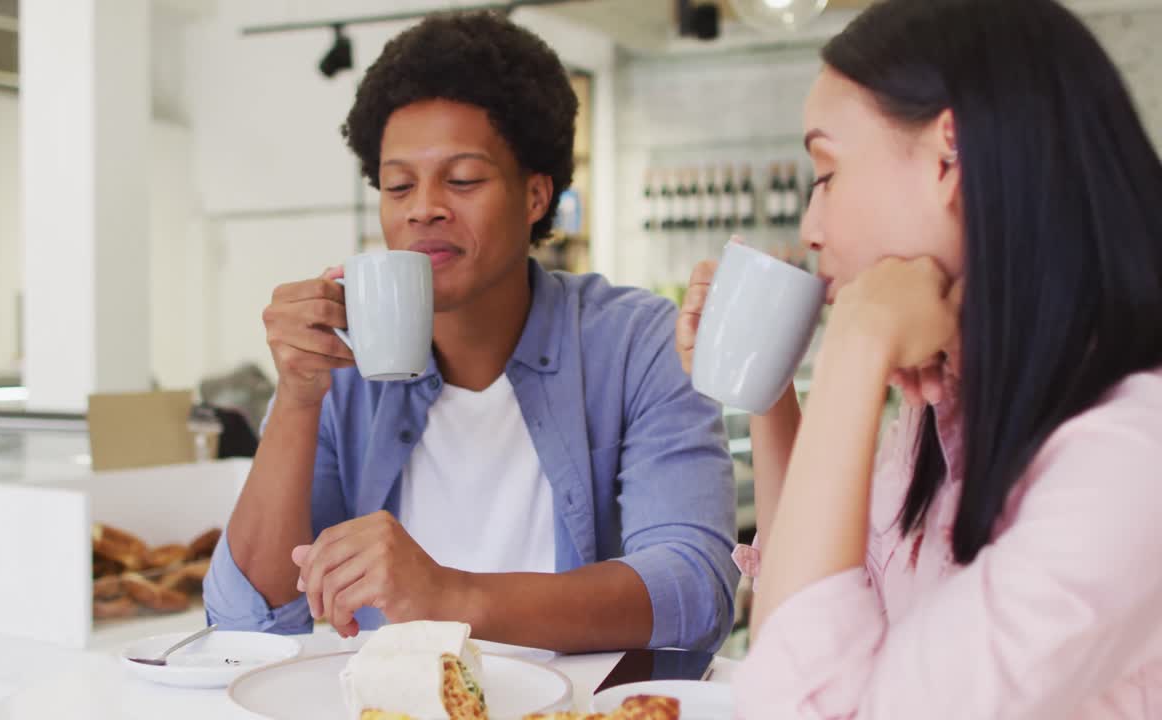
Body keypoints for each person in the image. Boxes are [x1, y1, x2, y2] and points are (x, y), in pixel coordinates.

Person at [675, 0, 1162, 715]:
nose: (811, 227)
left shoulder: (1128, 461)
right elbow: (805, 617)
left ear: (948, 156)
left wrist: (854, 348)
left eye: (827, 173)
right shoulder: (942, 408)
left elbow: (804, 705)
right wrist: (767, 382)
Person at [204, 10, 739, 654]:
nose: (423, 206)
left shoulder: (636, 345)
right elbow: (245, 623)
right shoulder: (343, 372)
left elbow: (695, 590)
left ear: (536, 196)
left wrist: (449, 596)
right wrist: (294, 396)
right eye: (398, 185)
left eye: (461, 180)